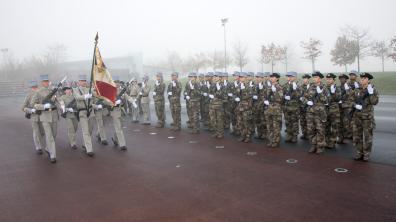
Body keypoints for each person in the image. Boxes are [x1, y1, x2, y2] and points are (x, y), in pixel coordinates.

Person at [31, 74, 60, 163]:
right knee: (49, 136)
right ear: (41, 82)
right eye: (44, 81)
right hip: (45, 116)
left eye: (47, 81)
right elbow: (33, 104)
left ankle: (48, 148)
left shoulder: (53, 90)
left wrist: (62, 104)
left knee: (54, 135)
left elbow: (58, 99)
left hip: (54, 115)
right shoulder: (38, 92)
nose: (46, 83)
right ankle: (53, 155)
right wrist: (43, 106)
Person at [351, 72, 379, 161]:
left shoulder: (372, 89)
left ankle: (366, 154)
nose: (362, 80)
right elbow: (350, 100)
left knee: (367, 137)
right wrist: (355, 105)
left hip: (367, 117)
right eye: (361, 78)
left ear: (368, 80)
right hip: (357, 117)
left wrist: (371, 93)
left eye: (364, 78)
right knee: (357, 136)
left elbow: (374, 102)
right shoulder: (356, 89)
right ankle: (359, 153)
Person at [305, 71, 329, 154]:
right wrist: (307, 101)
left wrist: (320, 93)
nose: (314, 78)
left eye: (316, 77)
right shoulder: (310, 87)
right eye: (313, 77)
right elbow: (303, 97)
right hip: (310, 112)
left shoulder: (324, 87)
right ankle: (313, 145)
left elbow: (326, 100)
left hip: (320, 113)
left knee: (320, 130)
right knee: (310, 129)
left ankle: (320, 146)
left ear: (320, 78)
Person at [72, 75, 95, 157]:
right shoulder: (75, 90)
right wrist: (86, 96)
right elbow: (77, 97)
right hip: (82, 112)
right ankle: (89, 149)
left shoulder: (90, 89)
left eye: (85, 80)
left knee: (90, 129)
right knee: (85, 131)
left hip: (91, 111)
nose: (84, 82)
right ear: (78, 82)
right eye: (82, 80)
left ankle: (85, 143)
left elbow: (97, 94)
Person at [22, 80, 45, 154]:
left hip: (41, 115)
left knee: (42, 132)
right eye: (33, 87)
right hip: (33, 116)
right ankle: (38, 147)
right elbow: (23, 107)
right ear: (30, 88)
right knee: (36, 132)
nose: (35, 88)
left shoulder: (41, 94)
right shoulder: (28, 95)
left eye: (36, 87)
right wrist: (31, 111)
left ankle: (39, 142)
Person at [264, 73, 283, 148]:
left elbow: (281, 99)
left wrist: (275, 91)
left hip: (276, 109)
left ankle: (276, 141)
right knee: (269, 125)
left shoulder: (279, 87)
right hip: (268, 109)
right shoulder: (268, 86)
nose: (271, 78)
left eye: (273, 77)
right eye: (271, 77)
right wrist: (265, 100)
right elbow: (264, 95)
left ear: (277, 78)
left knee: (276, 126)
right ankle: (271, 140)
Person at [282, 71, 301, 143]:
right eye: (288, 76)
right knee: (287, 122)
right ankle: (289, 135)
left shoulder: (297, 86)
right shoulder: (285, 85)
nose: (289, 78)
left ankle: (295, 136)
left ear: (295, 77)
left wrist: (295, 90)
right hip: (287, 107)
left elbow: (300, 96)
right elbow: (281, 95)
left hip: (294, 108)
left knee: (294, 122)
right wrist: (284, 97)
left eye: (291, 76)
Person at [235, 72, 253, 143]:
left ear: (245, 78)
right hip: (239, 107)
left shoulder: (249, 86)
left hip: (246, 108)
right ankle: (242, 135)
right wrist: (235, 97)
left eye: (242, 77)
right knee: (240, 122)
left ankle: (248, 136)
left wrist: (242, 91)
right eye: (240, 77)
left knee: (246, 123)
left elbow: (249, 97)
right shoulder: (238, 85)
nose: (240, 78)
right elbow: (235, 94)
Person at [324, 73, 341, 149]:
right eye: (327, 79)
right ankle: (327, 141)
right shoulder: (323, 87)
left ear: (334, 80)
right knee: (326, 126)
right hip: (325, 110)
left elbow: (338, 99)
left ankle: (333, 141)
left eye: (330, 79)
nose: (328, 80)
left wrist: (333, 93)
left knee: (334, 127)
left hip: (334, 110)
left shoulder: (337, 88)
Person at [110, 80, 127, 151]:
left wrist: (133, 101)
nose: (117, 84)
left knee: (120, 127)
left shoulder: (121, 90)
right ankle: (122, 144)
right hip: (115, 111)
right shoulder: (111, 91)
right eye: (115, 83)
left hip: (121, 111)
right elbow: (107, 101)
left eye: (118, 83)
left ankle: (115, 139)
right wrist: (115, 102)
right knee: (119, 128)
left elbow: (127, 96)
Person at [209, 72, 226, 138]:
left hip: (218, 105)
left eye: (217, 76)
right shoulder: (213, 85)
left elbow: (223, 96)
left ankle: (220, 133)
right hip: (212, 105)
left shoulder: (223, 86)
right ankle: (216, 131)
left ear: (220, 77)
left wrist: (219, 90)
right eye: (214, 76)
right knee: (213, 120)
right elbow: (210, 93)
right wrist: (210, 95)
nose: (215, 77)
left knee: (219, 120)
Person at [338, 73, 352, 143]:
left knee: (347, 123)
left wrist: (347, 90)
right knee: (340, 123)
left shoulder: (349, 86)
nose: (341, 80)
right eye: (340, 78)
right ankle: (341, 137)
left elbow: (351, 96)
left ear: (346, 79)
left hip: (346, 107)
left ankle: (349, 135)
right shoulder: (338, 87)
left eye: (343, 78)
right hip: (340, 107)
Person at [252, 72, 266, 140]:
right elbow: (251, 94)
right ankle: (259, 133)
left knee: (263, 120)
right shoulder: (254, 86)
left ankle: (264, 133)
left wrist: (260, 95)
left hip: (262, 106)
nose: (257, 79)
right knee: (257, 120)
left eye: (259, 77)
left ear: (262, 78)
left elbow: (266, 96)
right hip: (255, 106)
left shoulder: (265, 86)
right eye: (256, 77)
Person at [299, 74, 311, 140]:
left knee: (309, 122)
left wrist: (304, 99)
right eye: (303, 78)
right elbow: (300, 96)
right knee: (302, 121)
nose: (304, 80)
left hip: (309, 107)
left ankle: (309, 134)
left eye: (306, 78)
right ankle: (304, 133)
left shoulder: (312, 86)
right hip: (302, 106)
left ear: (308, 79)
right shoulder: (301, 87)